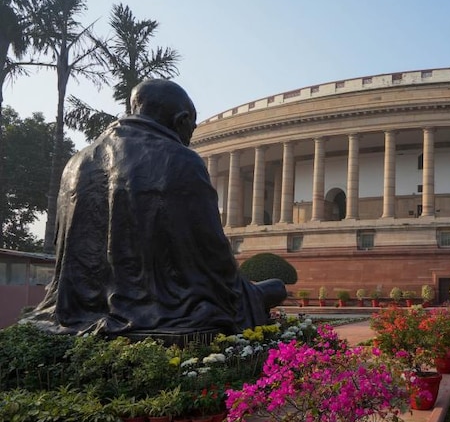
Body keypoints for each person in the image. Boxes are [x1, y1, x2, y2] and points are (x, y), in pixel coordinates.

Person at [23, 79, 285, 336]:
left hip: (76, 307)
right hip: (165, 305)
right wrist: (245, 293)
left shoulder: (76, 162)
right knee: (275, 288)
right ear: (180, 120)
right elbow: (213, 250)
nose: (188, 140)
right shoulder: (181, 158)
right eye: (190, 130)